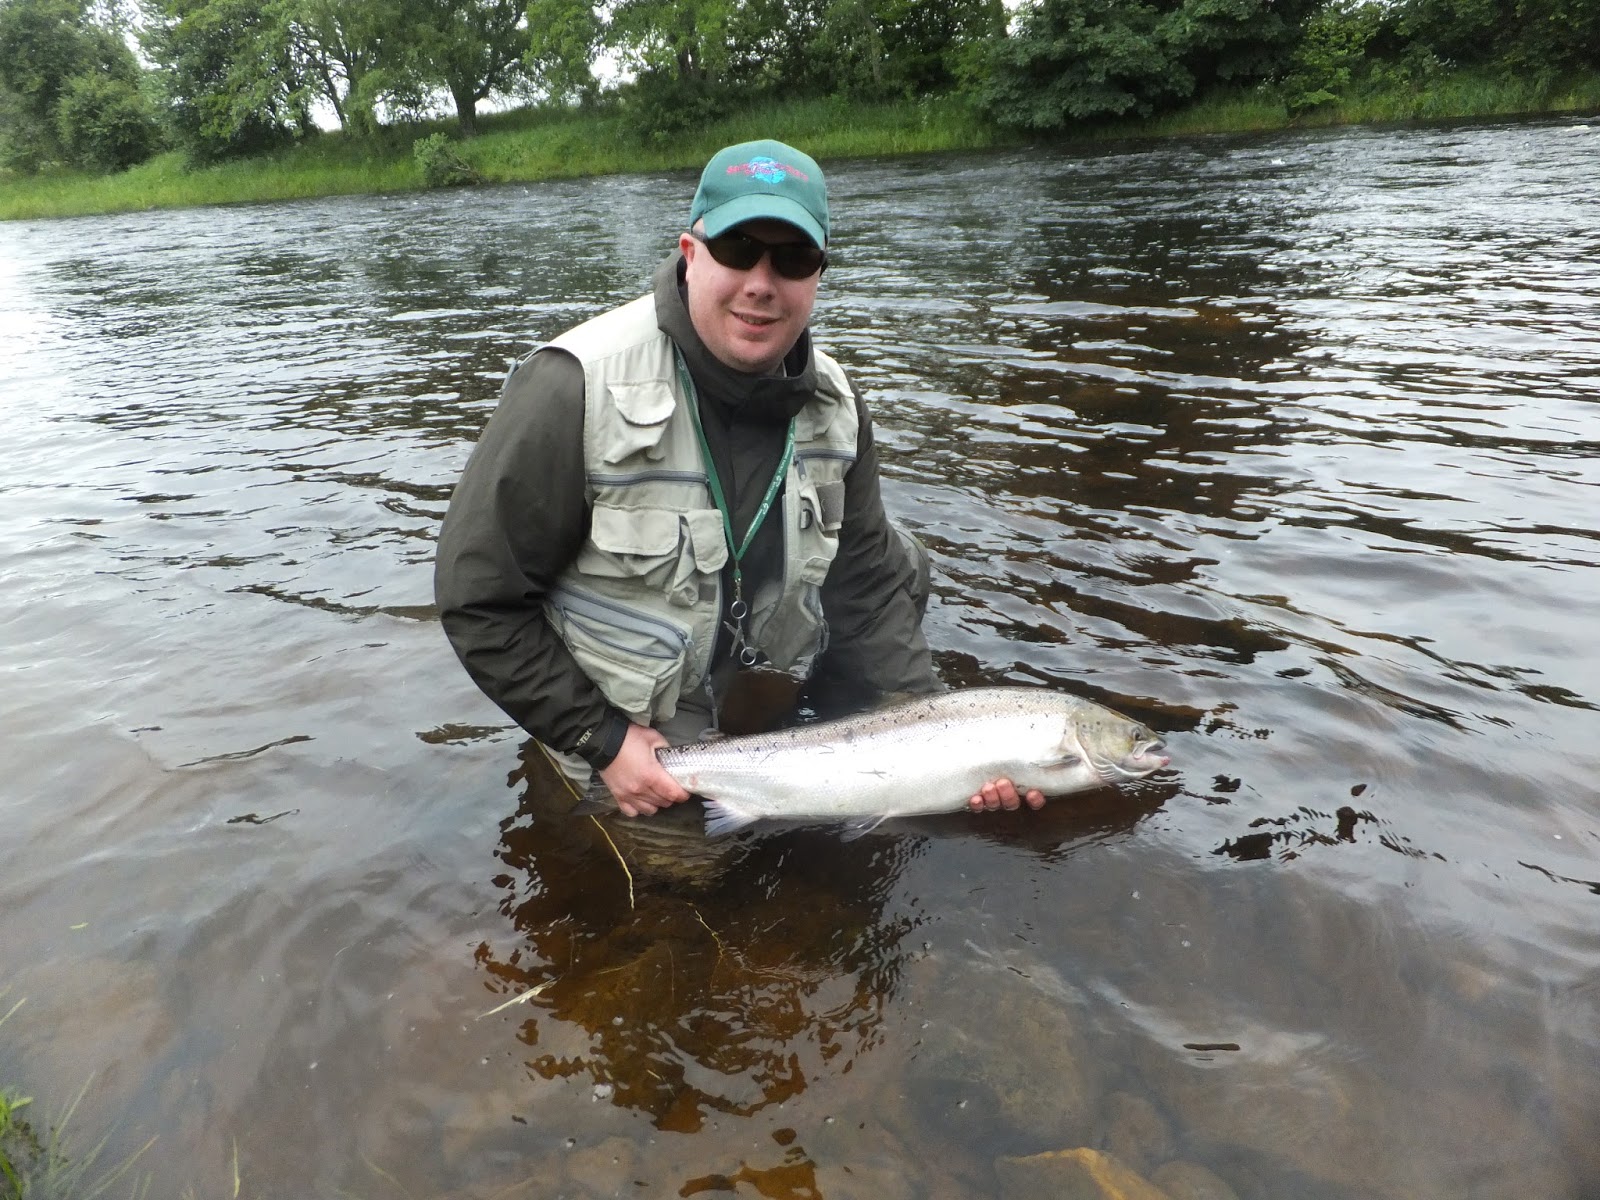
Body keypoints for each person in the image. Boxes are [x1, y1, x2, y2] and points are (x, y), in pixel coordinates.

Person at [434, 139, 1044, 820]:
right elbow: (477, 599)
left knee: (903, 566)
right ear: (690, 255)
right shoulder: (571, 385)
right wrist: (600, 738)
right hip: (628, 705)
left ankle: (834, 745)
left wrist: (938, 741)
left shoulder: (837, 405)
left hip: (744, 662)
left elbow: (868, 585)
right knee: (698, 870)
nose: (761, 281)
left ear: (817, 276)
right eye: (736, 249)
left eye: (791, 259)